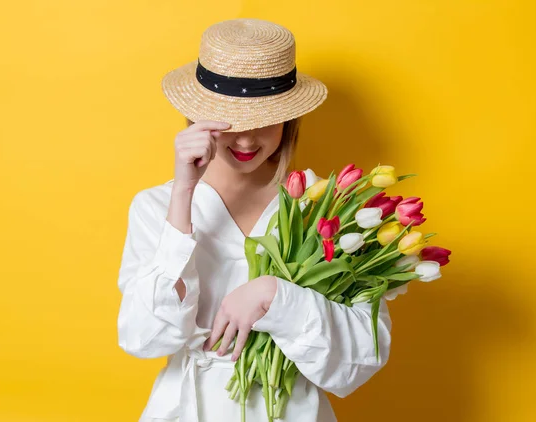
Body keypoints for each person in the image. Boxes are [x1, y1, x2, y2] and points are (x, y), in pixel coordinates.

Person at [116, 18, 392, 422]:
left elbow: (361, 357)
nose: (247, 139)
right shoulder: (156, 206)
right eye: (230, 121)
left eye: (266, 119)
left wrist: (276, 297)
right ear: (199, 116)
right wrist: (182, 194)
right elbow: (144, 337)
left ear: (290, 118)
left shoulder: (329, 208)